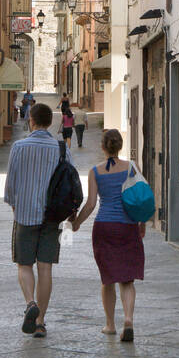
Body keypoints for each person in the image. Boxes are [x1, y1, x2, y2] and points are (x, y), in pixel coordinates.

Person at [3, 101, 73, 338]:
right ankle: (41, 321)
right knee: (45, 268)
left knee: (24, 265)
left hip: (24, 214)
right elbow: (71, 186)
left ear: (31, 121)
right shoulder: (62, 149)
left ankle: (30, 302)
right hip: (52, 218)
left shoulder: (19, 147)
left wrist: (15, 207)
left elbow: (10, 184)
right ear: (51, 122)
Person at [72, 127, 144, 342]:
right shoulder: (132, 167)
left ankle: (110, 324)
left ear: (102, 147)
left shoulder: (95, 171)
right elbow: (140, 198)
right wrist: (141, 223)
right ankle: (128, 320)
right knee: (127, 280)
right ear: (120, 146)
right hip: (127, 226)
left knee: (108, 279)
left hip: (104, 227)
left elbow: (91, 204)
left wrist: (76, 223)